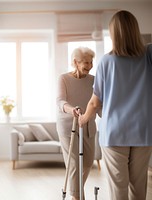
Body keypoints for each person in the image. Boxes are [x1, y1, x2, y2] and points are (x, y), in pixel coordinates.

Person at [78, 10, 152, 200]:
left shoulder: (106, 62)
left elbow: (95, 102)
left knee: (118, 188)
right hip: (143, 131)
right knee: (139, 186)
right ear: (135, 30)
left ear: (113, 34)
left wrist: (84, 118)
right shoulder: (148, 56)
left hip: (114, 132)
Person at [56, 46, 100, 200]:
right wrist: (71, 110)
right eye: (86, 63)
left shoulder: (94, 80)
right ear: (75, 62)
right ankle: (77, 197)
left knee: (88, 162)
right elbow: (60, 101)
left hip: (88, 125)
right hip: (69, 126)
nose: (90, 66)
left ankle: (76, 192)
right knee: (74, 164)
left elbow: (98, 103)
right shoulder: (64, 78)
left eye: (91, 62)